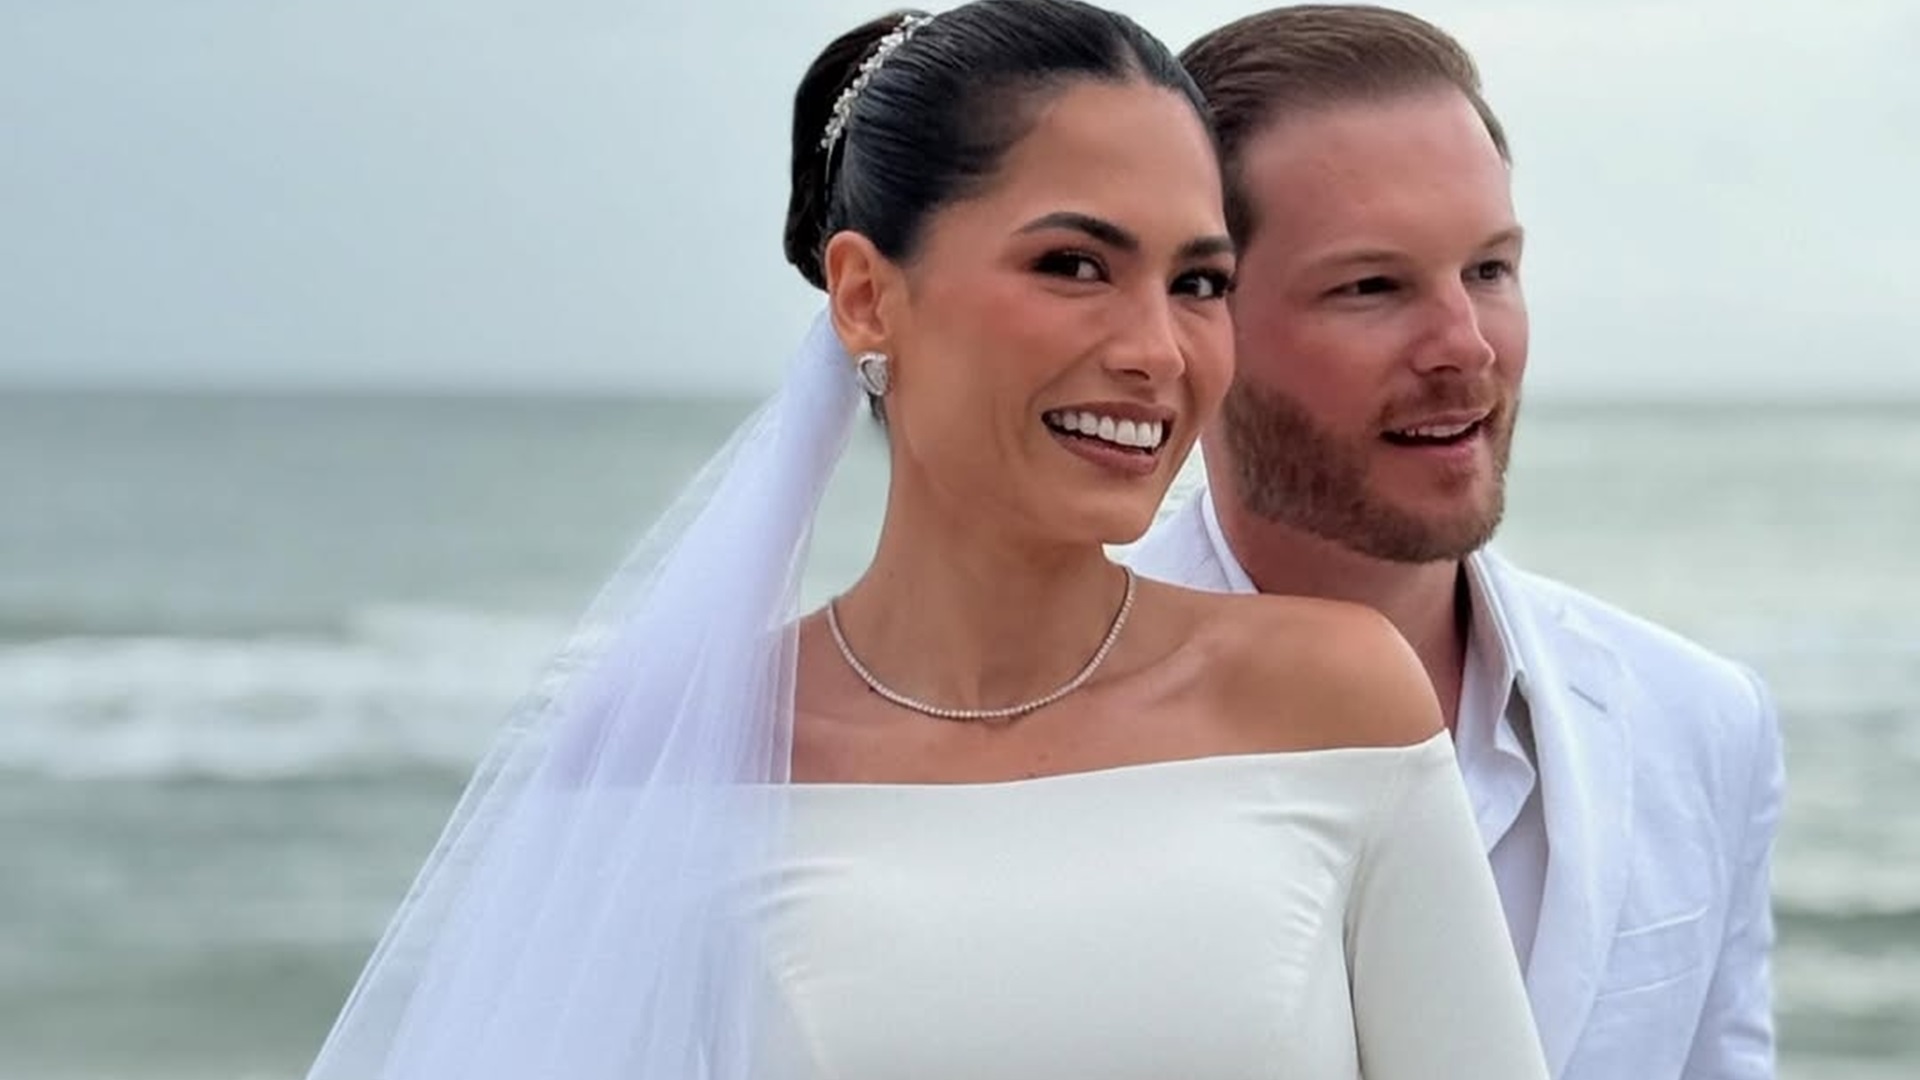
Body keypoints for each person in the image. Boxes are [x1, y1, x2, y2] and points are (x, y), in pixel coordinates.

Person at [302, 3, 1547, 1079]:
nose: (1158, 351)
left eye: (1199, 282)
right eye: (1074, 263)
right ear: (864, 294)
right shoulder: (677, 757)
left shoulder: (1330, 698)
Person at [1126, 7, 1787, 1080]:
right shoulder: (1040, 714)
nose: (1466, 348)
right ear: (1201, 323)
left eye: (1490, 269)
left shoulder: (1700, 721)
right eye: (1372, 286)